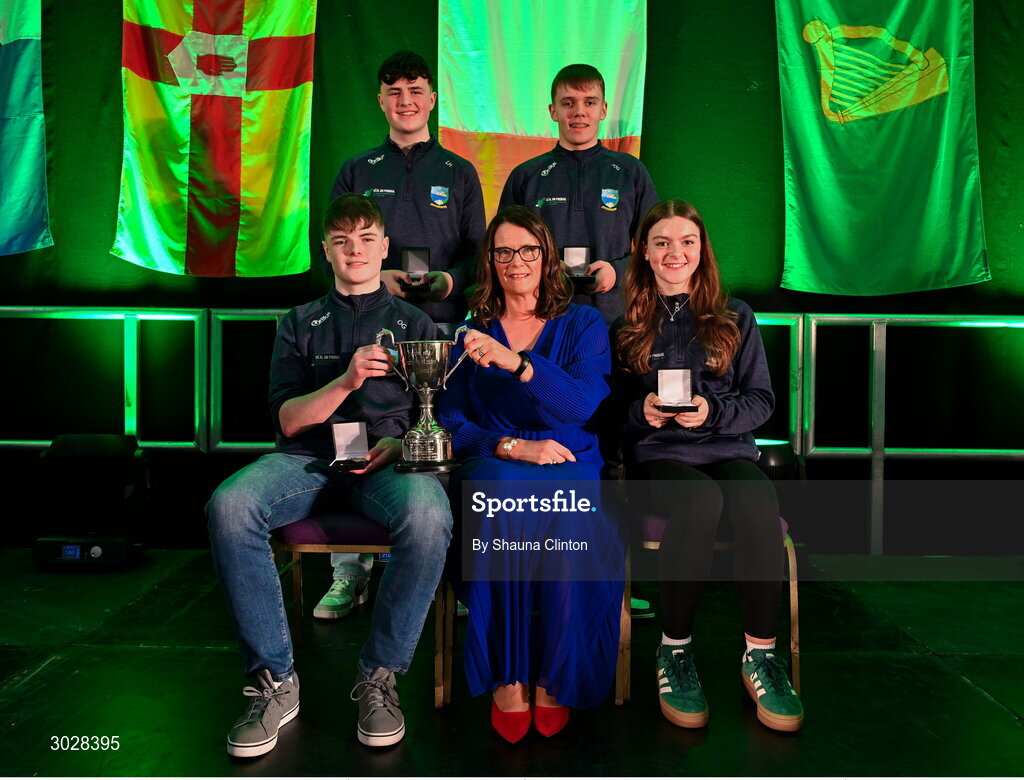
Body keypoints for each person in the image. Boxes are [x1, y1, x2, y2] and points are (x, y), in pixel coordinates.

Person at [206, 195, 453, 756]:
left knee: (429, 514)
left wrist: (397, 443)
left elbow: (434, 417)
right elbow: (288, 421)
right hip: (307, 462)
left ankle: (379, 678)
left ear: (385, 248)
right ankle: (275, 681)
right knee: (229, 505)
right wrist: (345, 381)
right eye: (341, 242)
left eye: (366, 240)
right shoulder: (298, 322)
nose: (354, 251)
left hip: (385, 466)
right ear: (326, 251)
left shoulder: (415, 323)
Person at [612, 199, 804, 732]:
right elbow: (608, 411)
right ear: (643, 251)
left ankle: (761, 655)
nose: (675, 252)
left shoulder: (735, 315)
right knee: (700, 500)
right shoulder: (625, 322)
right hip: (659, 460)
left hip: (727, 450)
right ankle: (674, 650)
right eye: (662, 242)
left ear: (702, 249)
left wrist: (713, 411)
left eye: (687, 242)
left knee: (757, 497)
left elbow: (762, 401)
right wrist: (642, 411)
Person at [438, 206, 624, 743]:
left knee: (571, 516)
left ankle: (555, 675)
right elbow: (450, 422)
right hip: (497, 458)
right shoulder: (470, 332)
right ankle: (508, 673)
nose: (516, 261)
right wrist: (511, 446)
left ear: (546, 257)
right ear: (489, 262)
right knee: (496, 495)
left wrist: (518, 363)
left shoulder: (583, 323)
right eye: (503, 252)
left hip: (568, 455)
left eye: (527, 250)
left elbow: (579, 406)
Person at [320, 50, 485, 620]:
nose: (406, 101)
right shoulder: (358, 169)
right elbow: (338, 243)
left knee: (437, 438)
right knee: (357, 430)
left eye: (416, 91)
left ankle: (443, 572)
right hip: (366, 322)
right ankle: (349, 572)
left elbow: (478, 255)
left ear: (432, 99)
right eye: (394, 92)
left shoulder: (459, 172)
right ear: (381, 101)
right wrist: (379, 277)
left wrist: (448, 281)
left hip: (440, 328)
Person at [498, 63, 658, 327]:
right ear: (553, 111)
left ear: (603, 109)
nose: (579, 112)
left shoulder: (631, 172)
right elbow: (502, 252)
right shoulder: (526, 176)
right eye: (568, 103)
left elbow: (655, 248)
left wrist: (616, 272)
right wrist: (546, 270)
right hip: (540, 319)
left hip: (615, 321)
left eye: (590, 102)